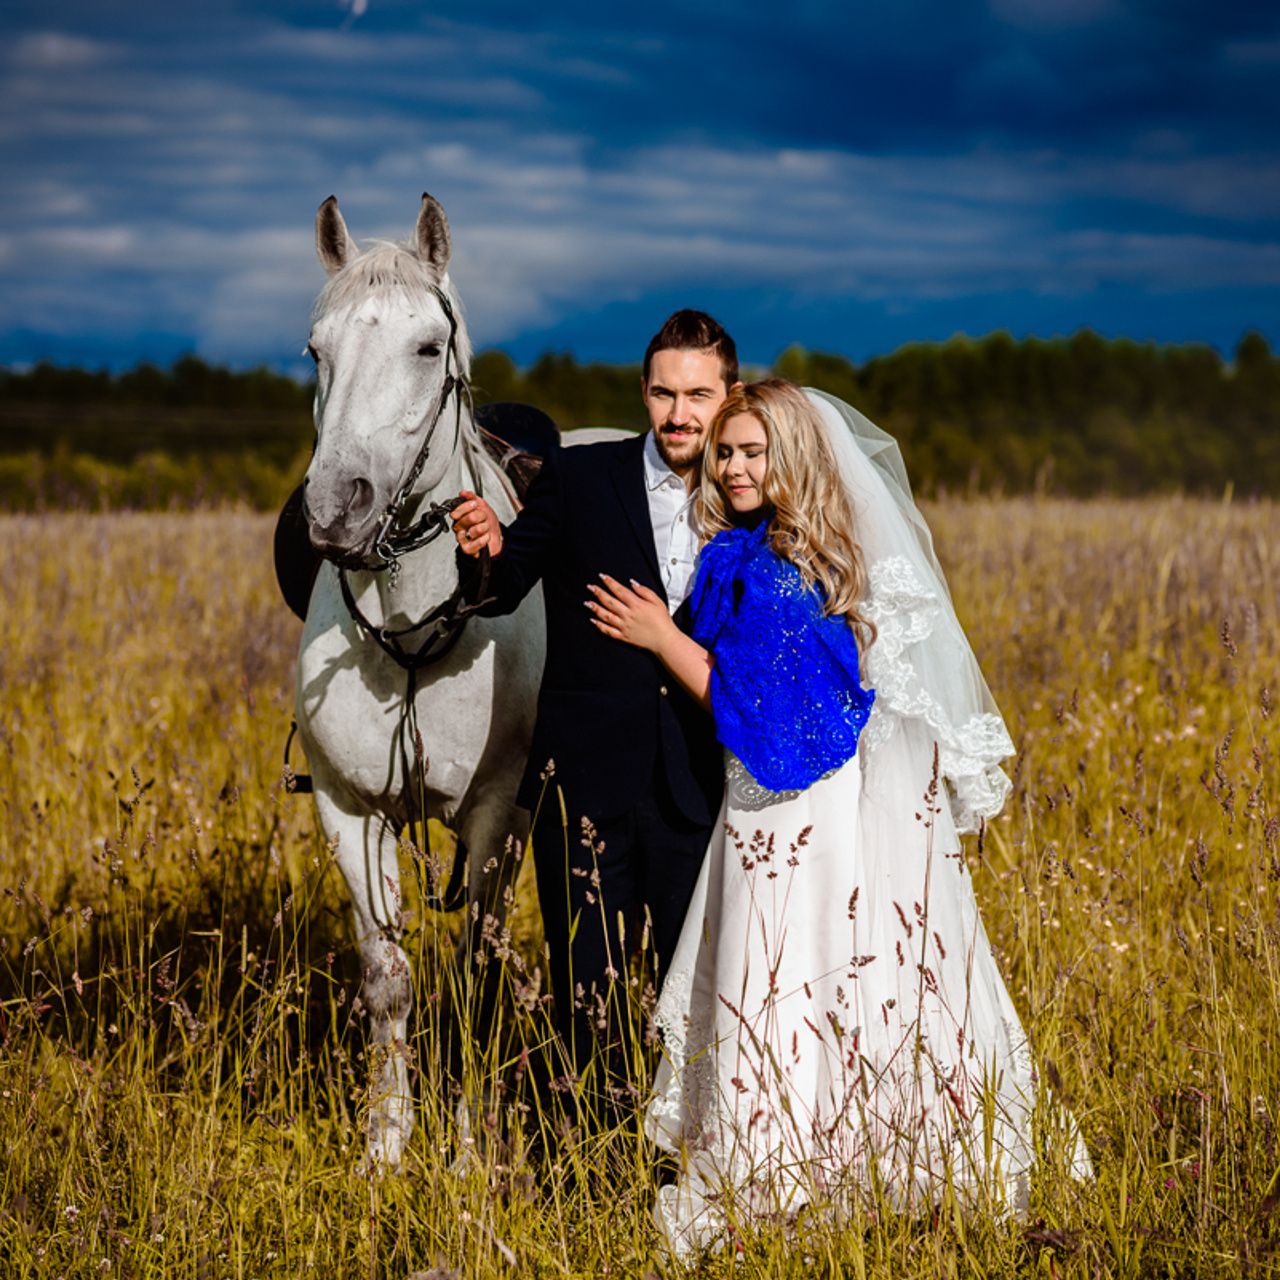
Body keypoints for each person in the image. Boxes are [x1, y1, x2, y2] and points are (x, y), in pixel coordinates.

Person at [588, 379, 1088, 1256]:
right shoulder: (772, 550)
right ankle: (833, 1156)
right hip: (791, 806)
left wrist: (664, 640)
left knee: (784, 971)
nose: (734, 468)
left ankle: (775, 1169)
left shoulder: (777, 572)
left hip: (787, 811)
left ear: (794, 457)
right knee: (819, 975)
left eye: (754, 452)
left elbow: (771, 724)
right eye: (726, 452)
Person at [451, 310, 740, 1100]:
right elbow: (505, 584)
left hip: (701, 786)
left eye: (698, 396)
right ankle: (601, 1158)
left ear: (729, 395)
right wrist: (484, 547)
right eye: (663, 394)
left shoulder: (750, 495)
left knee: (694, 989)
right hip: (581, 785)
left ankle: (686, 1147)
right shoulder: (577, 476)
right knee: (589, 998)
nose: (678, 415)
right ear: (643, 392)